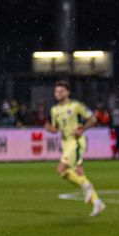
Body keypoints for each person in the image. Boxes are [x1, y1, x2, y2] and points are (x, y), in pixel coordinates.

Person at [45, 80, 106, 216]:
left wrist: (82, 129)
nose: (58, 94)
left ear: (67, 92)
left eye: (61, 91)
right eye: (56, 91)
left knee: (60, 170)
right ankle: (97, 202)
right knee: (79, 173)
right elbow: (56, 129)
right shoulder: (54, 110)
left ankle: (86, 187)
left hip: (76, 142)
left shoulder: (76, 106)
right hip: (65, 143)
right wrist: (50, 129)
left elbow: (93, 119)